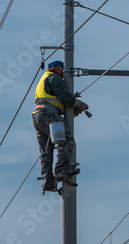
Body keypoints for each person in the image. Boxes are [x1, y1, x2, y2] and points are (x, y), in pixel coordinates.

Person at [32, 60, 89, 192]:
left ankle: (48, 181)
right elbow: (65, 98)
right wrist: (77, 104)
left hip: (37, 116)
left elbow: (54, 99)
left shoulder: (43, 79)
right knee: (67, 140)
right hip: (49, 115)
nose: (64, 73)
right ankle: (61, 169)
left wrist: (68, 108)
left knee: (46, 151)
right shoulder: (55, 78)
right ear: (58, 68)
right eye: (62, 70)